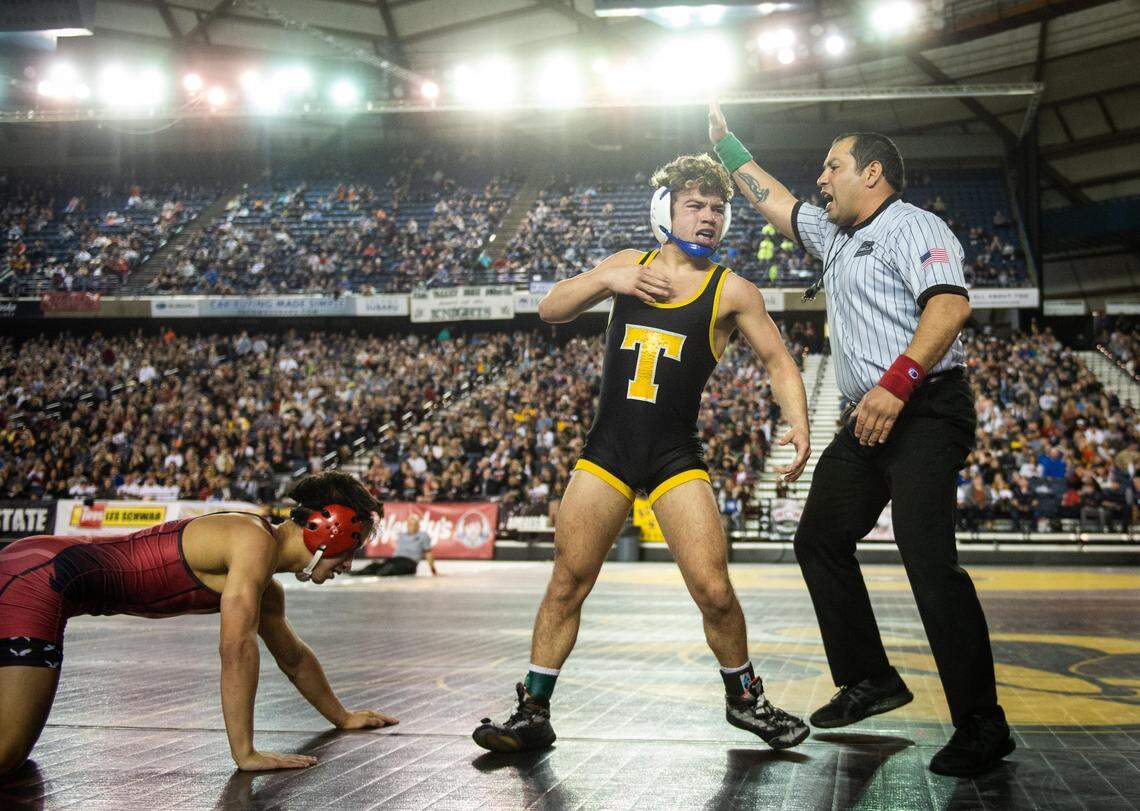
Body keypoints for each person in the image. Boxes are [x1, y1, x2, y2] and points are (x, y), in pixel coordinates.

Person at [707, 100, 1012, 777]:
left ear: (871, 172)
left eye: (832, 165)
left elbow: (950, 305)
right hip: (868, 415)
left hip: (924, 406)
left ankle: (984, 723)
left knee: (927, 555)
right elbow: (776, 200)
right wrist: (728, 148)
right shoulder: (836, 235)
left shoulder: (914, 224)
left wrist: (898, 381)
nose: (821, 177)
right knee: (818, 536)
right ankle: (871, 676)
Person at [472, 152, 813, 754]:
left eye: (716, 207)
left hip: (674, 455)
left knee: (712, 589)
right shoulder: (629, 265)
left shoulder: (732, 291)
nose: (708, 217)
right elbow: (551, 309)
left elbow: (779, 361)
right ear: (666, 210)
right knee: (567, 582)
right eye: (694, 205)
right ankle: (533, 711)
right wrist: (609, 280)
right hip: (606, 452)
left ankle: (746, 701)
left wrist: (800, 421)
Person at [0, 471, 397, 776]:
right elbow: (236, 647)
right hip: (40, 578)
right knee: (7, 752)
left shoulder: (266, 586)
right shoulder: (252, 540)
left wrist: (342, 717)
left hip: (44, 572)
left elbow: (293, 659)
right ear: (332, 530)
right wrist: (245, 752)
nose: (349, 563)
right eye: (353, 546)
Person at [354, 513, 437, 577]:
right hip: (395, 559)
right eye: (409, 524)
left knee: (392, 568)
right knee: (375, 565)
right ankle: (360, 572)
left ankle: (383, 572)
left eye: (413, 524)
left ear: (418, 525)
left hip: (410, 562)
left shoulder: (423, 535)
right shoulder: (402, 535)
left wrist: (433, 569)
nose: (410, 526)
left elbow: (428, 553)